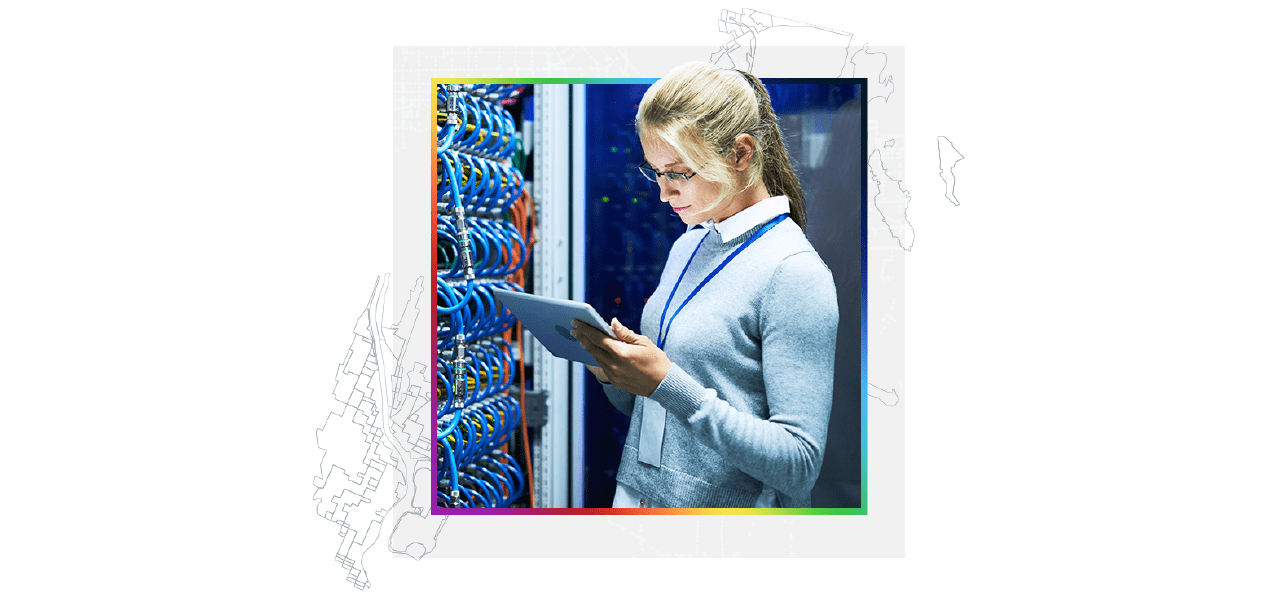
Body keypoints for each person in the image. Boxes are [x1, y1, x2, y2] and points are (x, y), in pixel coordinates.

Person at [571, 62, 839, 508]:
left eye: (678, 172)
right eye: (655, 171)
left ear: (739, 153)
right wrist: (615, 372)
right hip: (639, 497)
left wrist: (667, 382)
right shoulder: (690, 244)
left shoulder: (794, 273)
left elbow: (799, 464)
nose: (664, 192)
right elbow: (664, 411)